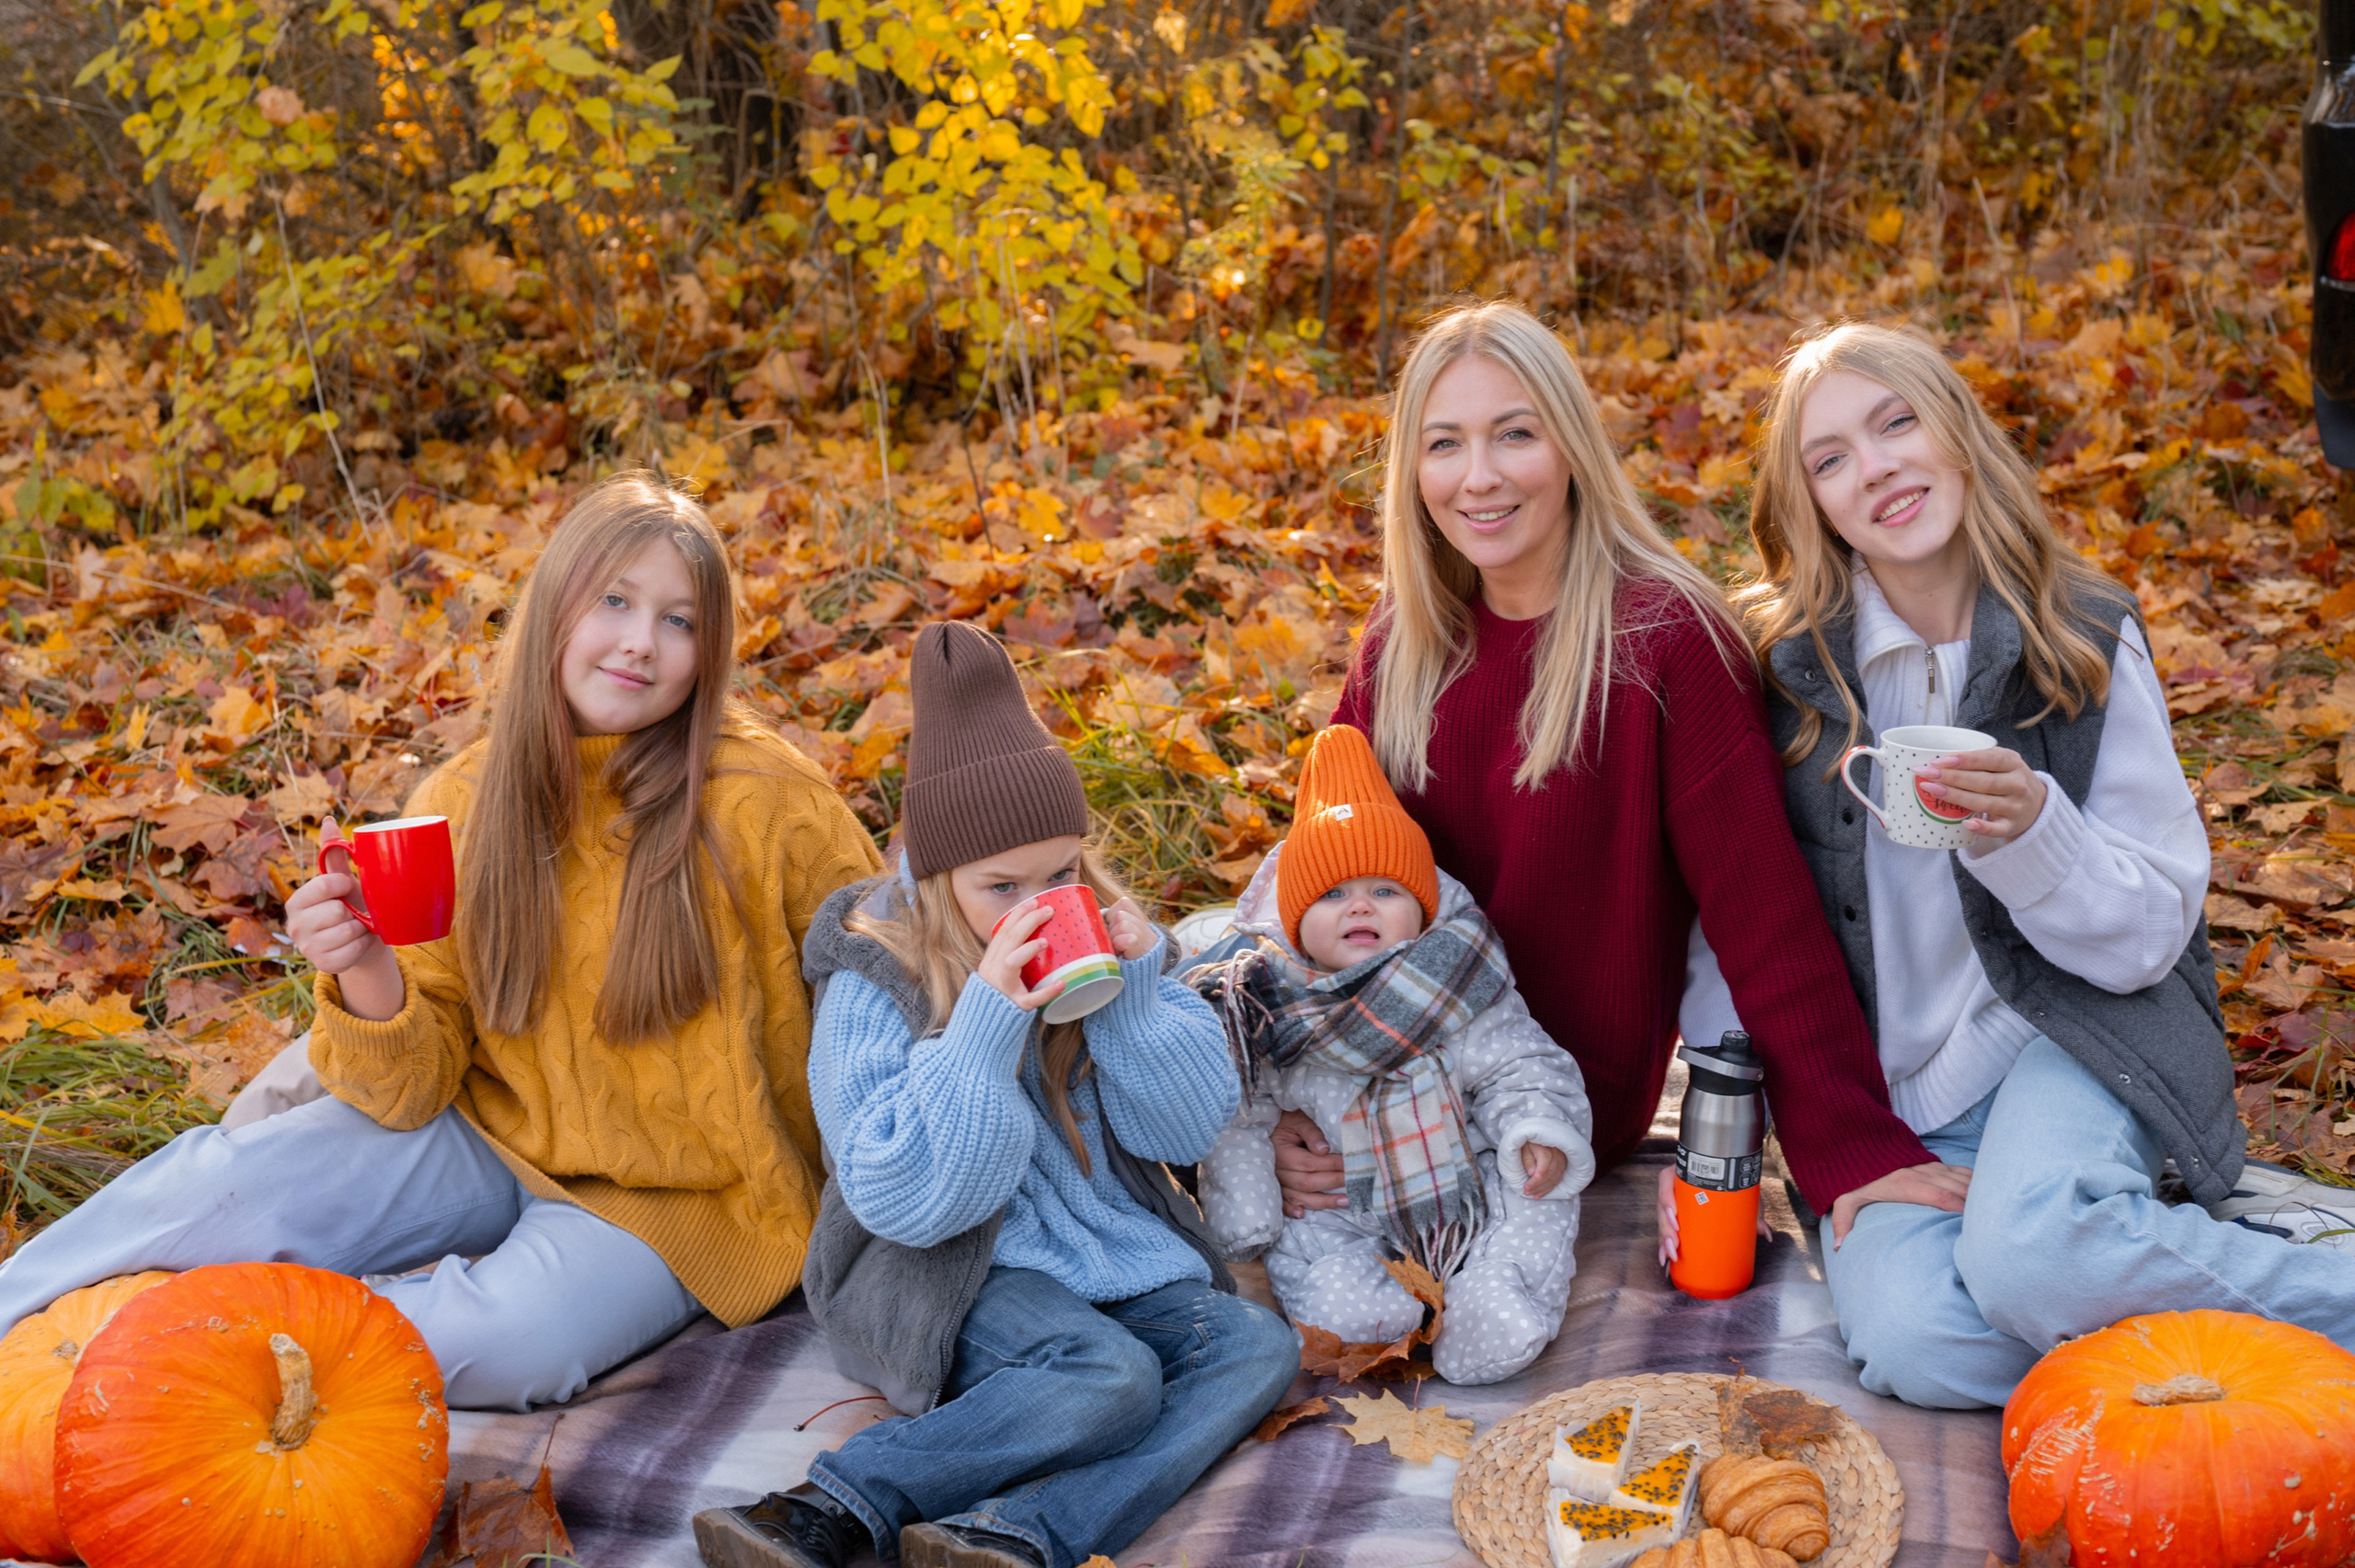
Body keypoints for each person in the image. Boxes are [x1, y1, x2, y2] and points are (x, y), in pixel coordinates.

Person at [0, 473, 883, 1410]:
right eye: (615, 601)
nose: (639, 641)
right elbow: (410, 1084)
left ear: (710, 653)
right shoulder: (464, 800)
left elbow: (889, 979)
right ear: (555, 607)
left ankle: (191, 1358)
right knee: (227, 1186)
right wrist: (361, 963)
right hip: (487, 1124)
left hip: (685, 1196)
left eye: (679, 621)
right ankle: (21, 1320)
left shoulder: (767, 801)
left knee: (511, 1343)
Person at [1677, 320, 2355, 1408]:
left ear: (1955, 431)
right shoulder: (1789, 676)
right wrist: (1815, 1130)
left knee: (2031, 1261)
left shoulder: (2076, 636)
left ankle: (2310, 1287)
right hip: (1898, 1095)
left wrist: (2032, 830)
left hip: (2074, 1036)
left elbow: (2144, 944)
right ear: (1809, 508)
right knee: (1918, 1342)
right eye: (1830, 458)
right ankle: (2146, 1262)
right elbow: (1738, 923)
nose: (1877, 467)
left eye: (1896, 421)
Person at [1269, 299, 1946, 1252]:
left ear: (1572, 447)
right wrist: (1288, 1102)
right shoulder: (1403, 645)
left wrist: (1851, 1150)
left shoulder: (1664, 641)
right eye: (1444, 445)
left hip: (1558, 1096)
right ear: (1411, 472)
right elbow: (1310, 878)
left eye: (1514, 434)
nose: (1479, 477)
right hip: (1390, 1060)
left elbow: (1763, 916)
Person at [694, 621, 1296, 1568]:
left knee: (1253, 1346)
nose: (1035, 902)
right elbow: (903, 1200)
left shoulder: (1108, 942)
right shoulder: (874, 974)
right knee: (1110, 1378)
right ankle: (833, 1504)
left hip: (1104, 1261)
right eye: (999, 885)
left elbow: (1184, 1125)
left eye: (1059, 874)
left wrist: (1132, 998)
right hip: (943, 1275)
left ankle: (1012, 1533)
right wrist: (981, 1026)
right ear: (934, 879)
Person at [1185, 722, 1593, 1386]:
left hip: (1465, 1185)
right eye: (1333, 893)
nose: (1359, 907)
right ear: (1293, 922)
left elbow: (1522, 1063)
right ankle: (1369, 1311)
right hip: (1340, 1202)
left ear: (1421, 908)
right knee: (1315, 1253)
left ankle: (1495, 1297)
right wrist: (1246, 1209)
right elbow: (1240, 1112)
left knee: (1537, 1194)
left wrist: (1535, 1127)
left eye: (1384, 890)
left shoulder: (1457, 981)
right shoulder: (1269, 1004)